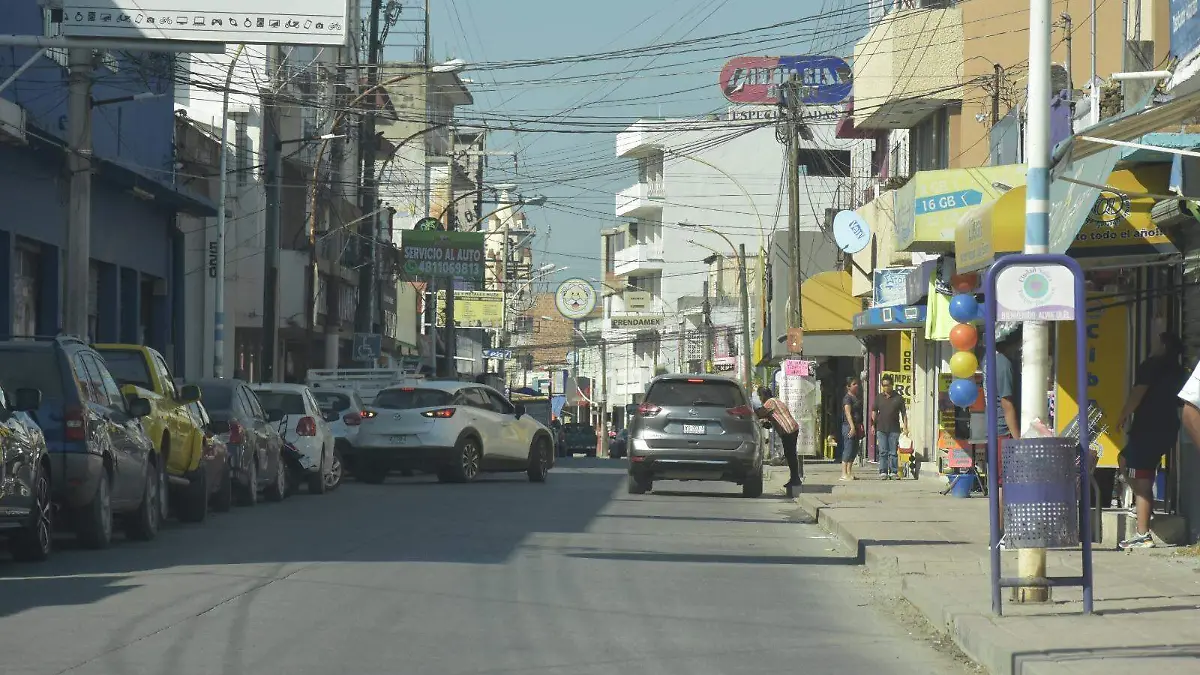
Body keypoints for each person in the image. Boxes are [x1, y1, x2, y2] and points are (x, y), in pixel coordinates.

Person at [1117, 332, 1187, 550]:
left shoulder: (1151, 366)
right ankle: (1141, 507)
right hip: (1166, 428)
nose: (1151, 344)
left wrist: (1123, 415)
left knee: (1142, 478)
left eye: (1156, 340)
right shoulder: (1178, 371)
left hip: (1148, 428)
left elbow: (1137, 395)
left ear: (1164, 345)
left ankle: (1142, 534)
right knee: (1124, 459)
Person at [983, 323, 1021, 548]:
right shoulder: (1004, 364)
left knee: (999, 484)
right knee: (1004, 485)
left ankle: (999, 533)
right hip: (1003, 432)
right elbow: (1007, 405)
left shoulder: (988, 360)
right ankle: (999, 534)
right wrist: (1017, 438)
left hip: (993, 431)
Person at [755, 386, 802, 488]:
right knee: (790, 454)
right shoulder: (775, 401)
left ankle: (795, 478)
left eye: (760, 396)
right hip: (791, 429)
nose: (760, 398)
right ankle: (794, 478)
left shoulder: (770, 402)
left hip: (788, 430)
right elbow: (773, 416)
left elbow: (759, 413)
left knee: (790, 455)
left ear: (763, 395)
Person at [872, 375, 908, 480]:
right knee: (883, 451)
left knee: (893, 452)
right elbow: (874, 412)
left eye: (887, 385)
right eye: (883, 385)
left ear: (892, 385)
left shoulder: (898, 398)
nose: (886, 387)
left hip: (894, 429)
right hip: (881, 428)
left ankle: (893, 472)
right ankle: (883, 471)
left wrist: (905, 427)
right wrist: (872, 425)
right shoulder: (879, 397)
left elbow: (904, 414)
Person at [841, 377, 864, 481]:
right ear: (848, 387)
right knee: (848, 448)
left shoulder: (856, 397)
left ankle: (849, 472)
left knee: (854, 449)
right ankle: (844, 473)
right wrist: (852, 427)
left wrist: (860, 424)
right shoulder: (847, 398)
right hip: (849, 426)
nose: (856, 385)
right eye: (854, 384)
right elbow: (848, 413)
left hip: (857, 425)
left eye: (857, 384)